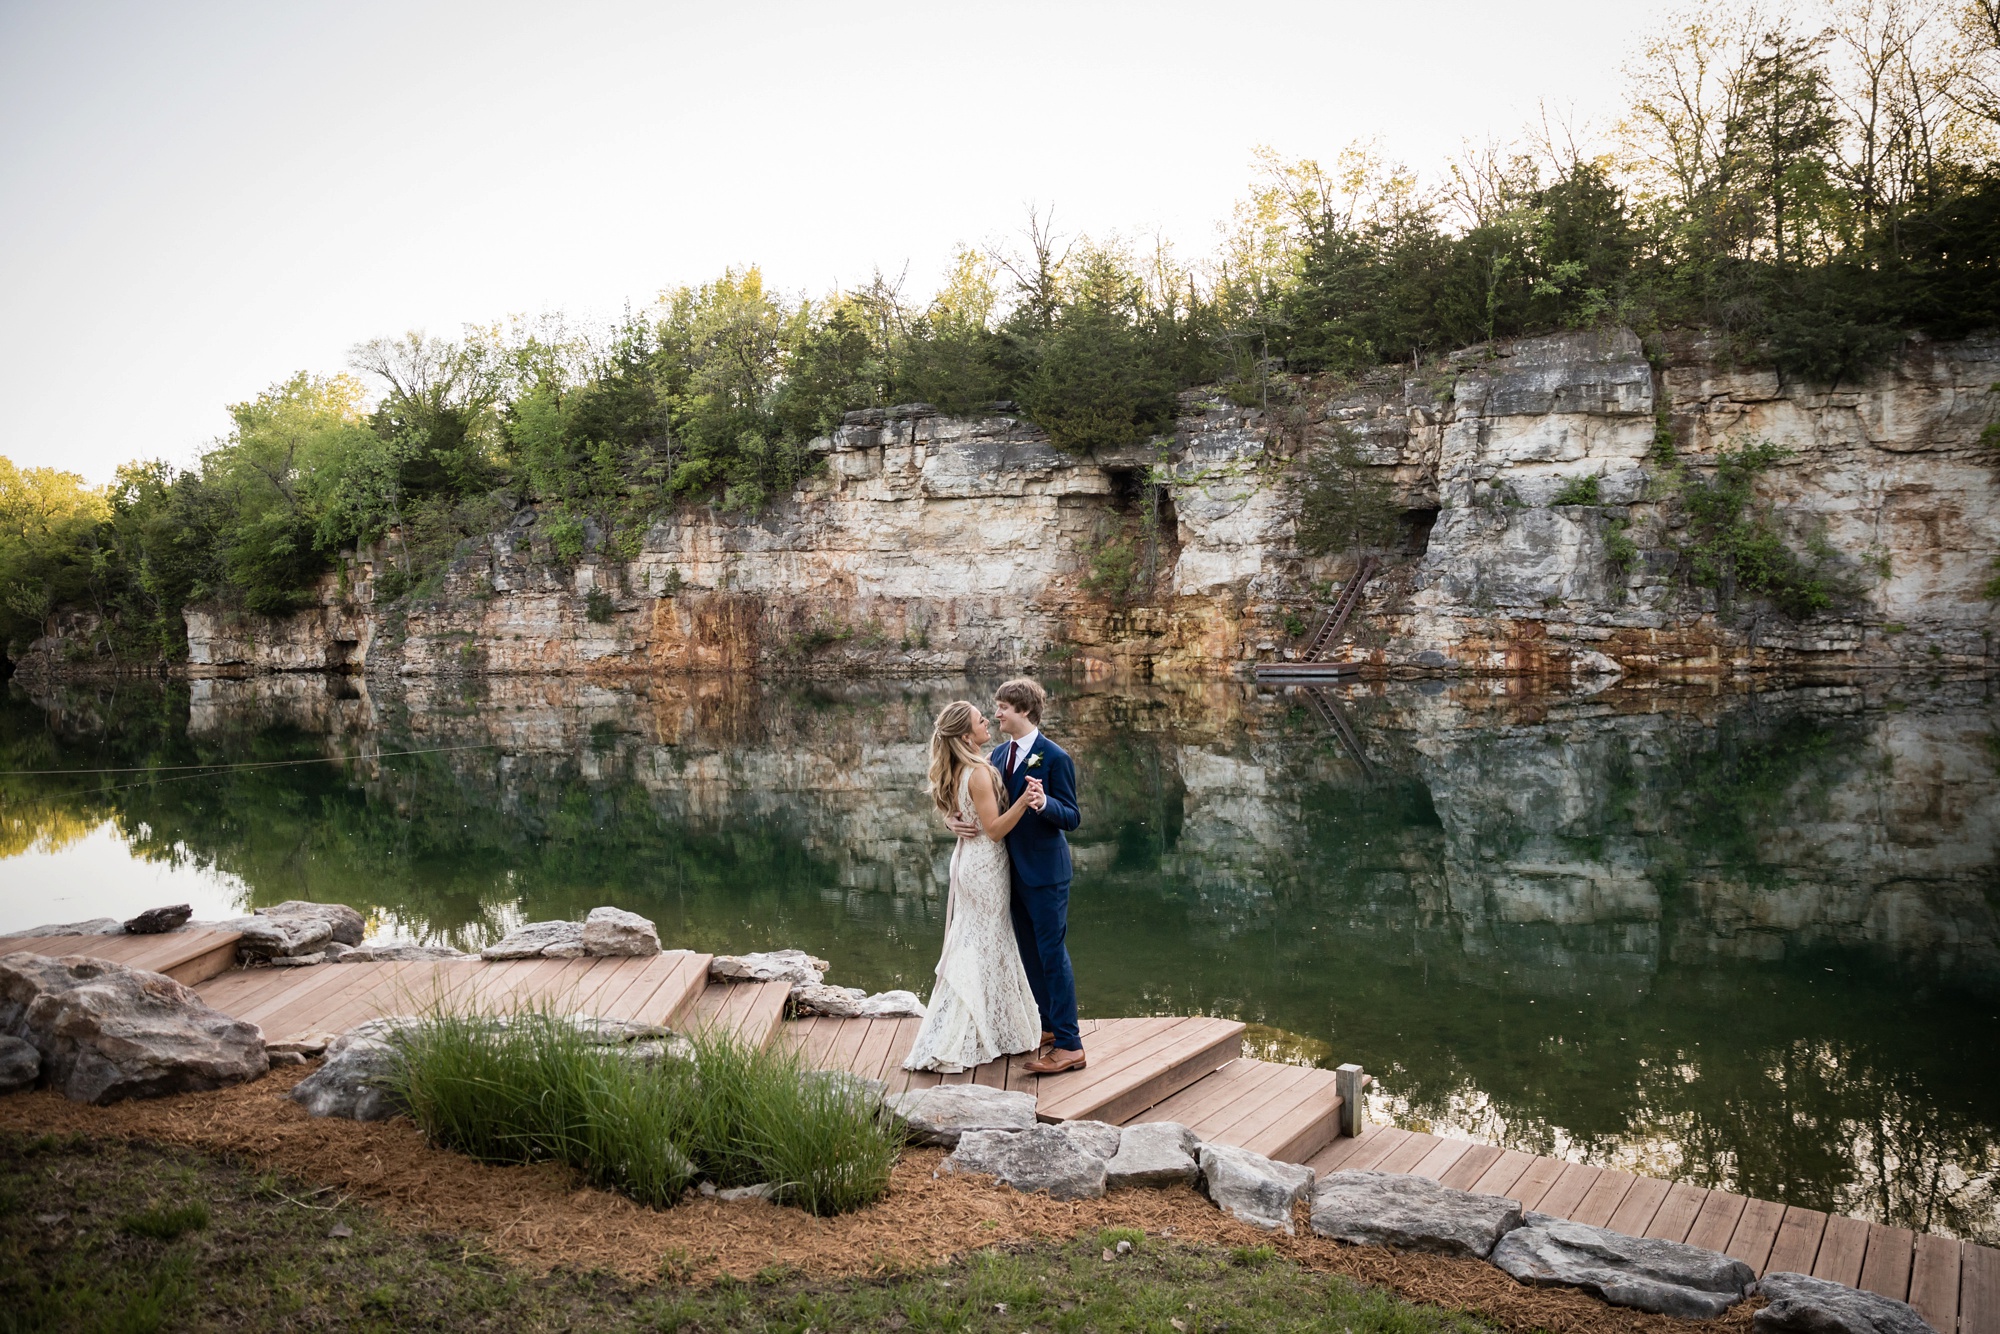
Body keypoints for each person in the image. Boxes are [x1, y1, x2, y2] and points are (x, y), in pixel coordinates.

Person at [945, 678, 1085, 1074]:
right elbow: (978, 802)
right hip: (1007, 875)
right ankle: (1050, 1028)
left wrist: (1044, 804)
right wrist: (952, 819)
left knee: (1053, 956)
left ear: (1023, 711)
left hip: (1045, 874)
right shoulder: (998, 754)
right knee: (1029, 956)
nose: (997, 713)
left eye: (1003, 706)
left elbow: (1072, 817)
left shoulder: (1055, 757)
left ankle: (1071, 1045)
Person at [901, 700, 1044, 1073]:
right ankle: (959, 1033)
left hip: (971, 862)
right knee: (980, 944)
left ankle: (990, 1029)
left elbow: (959, 811)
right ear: (966, 734)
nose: (987, 722)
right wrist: (1025, 803)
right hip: (984, 866)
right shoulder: (979, 773)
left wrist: (951, 820)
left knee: (979, 941)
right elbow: (994, 831)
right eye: (981, 720)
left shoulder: (966, 766)